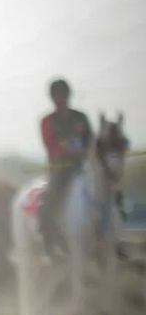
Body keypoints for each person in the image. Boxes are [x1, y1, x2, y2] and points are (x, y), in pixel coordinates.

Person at [38, 78, 92, 256]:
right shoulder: (47, 121)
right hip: (60, 170)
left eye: (63, 94)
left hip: (82, 168)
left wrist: (84, 152)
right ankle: (49, 242)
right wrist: (67, 151)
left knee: (110, 192)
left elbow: (91, 141)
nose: (60, 98)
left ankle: (113, 236)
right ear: (52, 98)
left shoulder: (81, 118)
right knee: (49, 201)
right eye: (57, 95)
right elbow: (51, 146)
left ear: (69, 95)